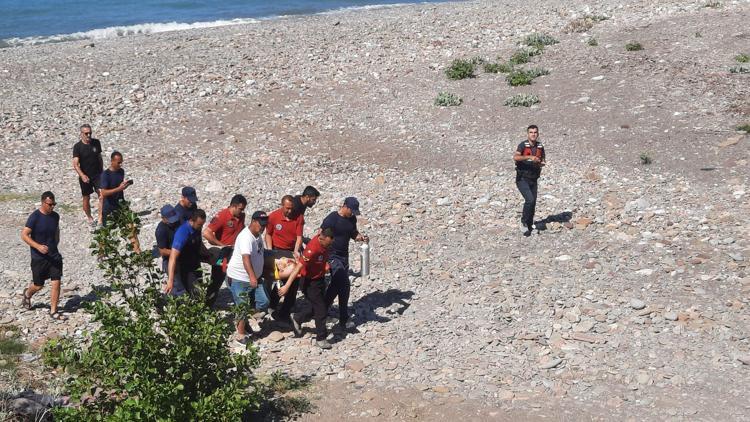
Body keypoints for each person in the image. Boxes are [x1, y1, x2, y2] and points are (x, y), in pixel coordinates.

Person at [321, 197, 368, 330]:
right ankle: (343, 318)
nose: (352, 214)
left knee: (337, 285)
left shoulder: (351, 219)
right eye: (351, 211)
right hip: (332, 255)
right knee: (344, 284)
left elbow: (353, 233)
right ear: (345, 206)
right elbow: (321, 236)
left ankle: (321, 311)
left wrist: (360, 237)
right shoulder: (332, 218)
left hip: (344, 256)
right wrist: (323, 257)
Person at [285, 229, 335, 349]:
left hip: (319, 278)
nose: (329, 246)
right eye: (327, 244)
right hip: (309, 282)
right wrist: (287, 285)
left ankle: (298, 317)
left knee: (317, 307)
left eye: (330, 244)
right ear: (321, 239)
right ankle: (321, 338)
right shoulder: (311, 250)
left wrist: (325, 264)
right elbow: (298, 268)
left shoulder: (325, 241)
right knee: (321, 309)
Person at [20, 192, 66, 320]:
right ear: (43, 202)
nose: (52, 207)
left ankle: (53, 311)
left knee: (56, 281)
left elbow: (56, 231)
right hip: (38, 257)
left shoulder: (55, 216)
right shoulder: (34, 217)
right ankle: (28, 293)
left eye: (54, 204)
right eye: (50, 204)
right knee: (39, 285)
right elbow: (24, 235)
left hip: (54, 255)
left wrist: (56, 244)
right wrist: (38, 246)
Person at [226, 211, 269, 343]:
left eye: (264, 225)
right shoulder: (245, 237)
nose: (262, 228)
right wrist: (252, 277)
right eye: (260, 225)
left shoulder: (257, 236)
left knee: (264, 301)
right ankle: (240, 334)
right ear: (254, 222)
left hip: (255, 277)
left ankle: (244, 321)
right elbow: (246, 259)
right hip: (240, 278)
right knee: (242, 306)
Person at [265, 195, 304, 324]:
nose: (290, 211)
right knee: (279, 279)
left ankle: (286, 309)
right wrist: (271, 251)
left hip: (290, 252)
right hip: (277, 251)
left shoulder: (298, 217)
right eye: (287, 208)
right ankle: (272, 304)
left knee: (295, 279)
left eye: (291, 208)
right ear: (282, 205)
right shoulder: (273, 217)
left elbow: (299, 236)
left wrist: (296, 250)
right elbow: (268, 234)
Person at [203, 194, 247, 306]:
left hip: (235, 252)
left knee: (238, 277)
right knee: (217, 279)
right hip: (223, 254)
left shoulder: (241, 216)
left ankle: (242, 304)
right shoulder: (222, 216)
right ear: (233, 206)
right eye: (240, 209)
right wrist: (221, 245)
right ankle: (208, 305)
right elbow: (206, 233)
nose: (242, 212)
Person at [99, 151, 141, 252]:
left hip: (121, 206)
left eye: (121, 162)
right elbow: (103, 193)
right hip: (109, 207)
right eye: (118, 162)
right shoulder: (105, 175)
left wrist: (124, 186)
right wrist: (119, 188)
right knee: (105, 232)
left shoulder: (121, 171)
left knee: (131, 228)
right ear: (112, 161)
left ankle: (138, 252)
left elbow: (119, 187)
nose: (120, 164)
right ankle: (101, 253)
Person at [165, 209, 209, 297]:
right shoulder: (183, 233)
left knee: (200, 289)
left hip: (195, 264)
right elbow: (173, 257)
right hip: (185, 268)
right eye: (200, 225)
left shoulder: (197, 228)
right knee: (195, 292)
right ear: (192, 221)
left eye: (203, 224)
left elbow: (199, 243)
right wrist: (170, 280)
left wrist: (208, 255)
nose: (201, 227)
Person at [512, 125, 546, 236]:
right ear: (528, 134)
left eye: (535, 132)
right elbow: (516, 157)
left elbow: (543, 160)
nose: (533, 134)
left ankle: (530, 225)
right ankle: (523, 223)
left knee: (533, 202)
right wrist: (529, 157)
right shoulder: (523, 145)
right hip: (522, 178)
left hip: (534, 178)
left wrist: (540, 163)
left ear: (538, 134)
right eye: (531, 132)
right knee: (530, 200)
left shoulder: (540, 147)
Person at [72, 124, 103, 227]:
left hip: (97, 175)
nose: (89, 135)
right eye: (86, 133)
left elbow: (99, 157)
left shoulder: (96, 143)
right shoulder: (77, 147)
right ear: (81, 134)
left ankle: (100, 219)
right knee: (86, 198)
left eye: (90, 133)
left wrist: (102, 172)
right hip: (85, 176)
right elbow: (75, 164)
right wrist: (82, 175)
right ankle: (89, 218)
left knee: (102, 195)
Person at [154, 204, 180, 278]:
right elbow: (163, 251)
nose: (173, 222)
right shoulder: (161, 231)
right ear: (163, 218)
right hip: (170, 258)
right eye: (170, 219)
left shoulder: (178, 221)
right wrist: (178, 252)